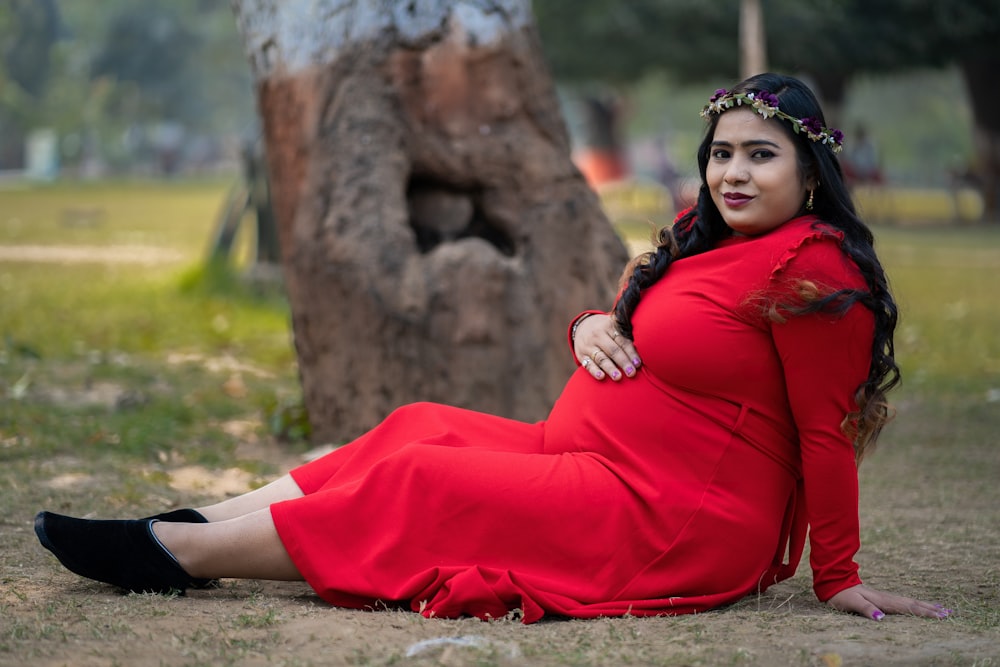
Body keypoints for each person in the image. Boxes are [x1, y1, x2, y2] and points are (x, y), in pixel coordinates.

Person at [34, 73, 950, 625]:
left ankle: (176, 556)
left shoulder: (816, 270)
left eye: (762, 155)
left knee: (423, 483)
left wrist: (839, 577)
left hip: (671, 518)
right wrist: (590, 327)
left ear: (810, 167)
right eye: (722, 153)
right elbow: (642, 323)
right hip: (592, 456)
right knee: (414, 426)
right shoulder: (711, 238)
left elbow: (825, 433)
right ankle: (197, 519)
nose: (734, 173)